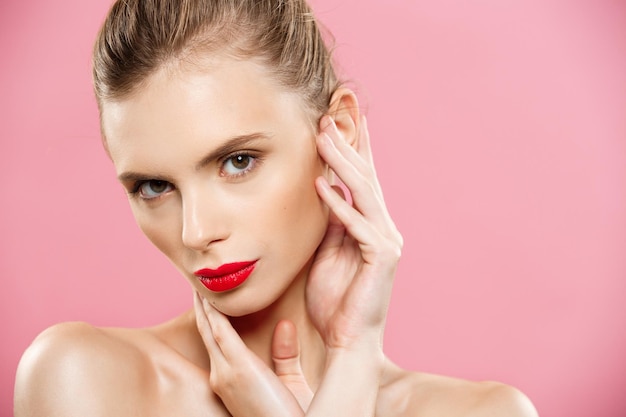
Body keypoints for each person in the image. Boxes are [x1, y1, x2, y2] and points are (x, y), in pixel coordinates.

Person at [14, 0, 538, 415]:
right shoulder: (84, 380)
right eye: (154, 186)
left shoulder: (487, 412)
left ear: (338, 134)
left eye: (238, 161)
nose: (197, 232)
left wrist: (352, 357)